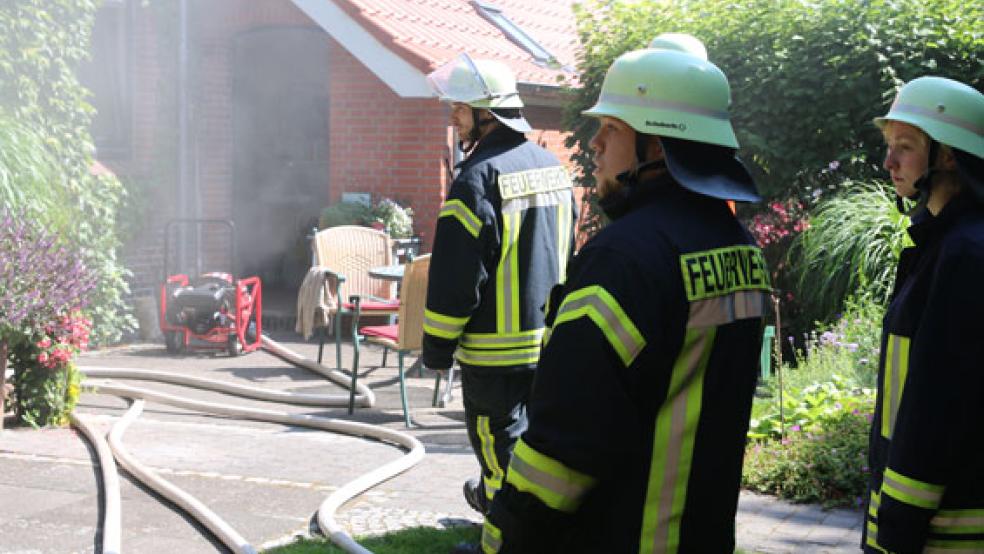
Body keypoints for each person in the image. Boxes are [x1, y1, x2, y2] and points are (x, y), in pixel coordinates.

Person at [472, 34, 771, 553]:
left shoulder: (625, 258)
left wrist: (507, 535)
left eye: (611, 129)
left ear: (658, 146)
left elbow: (567, 441)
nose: (594, 145)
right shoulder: (739, 246)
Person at [422, 54, 578, 515]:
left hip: (494, 354)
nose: (453, 116)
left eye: (461, 108)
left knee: (498, 454)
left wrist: (436, 348)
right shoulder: (553, 169)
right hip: (550, 344)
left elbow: (455, 280)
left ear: (488, 114)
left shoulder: (475, 182)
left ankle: (502, 536)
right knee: (537, 451)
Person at [863, 76, 984, 554]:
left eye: (906, 146)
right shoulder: (943, 244)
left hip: (943, 532)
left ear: (949, 156)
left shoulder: (965, 256)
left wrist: (898, 523)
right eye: (889, 145)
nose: (889, 161)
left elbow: (939, 404)